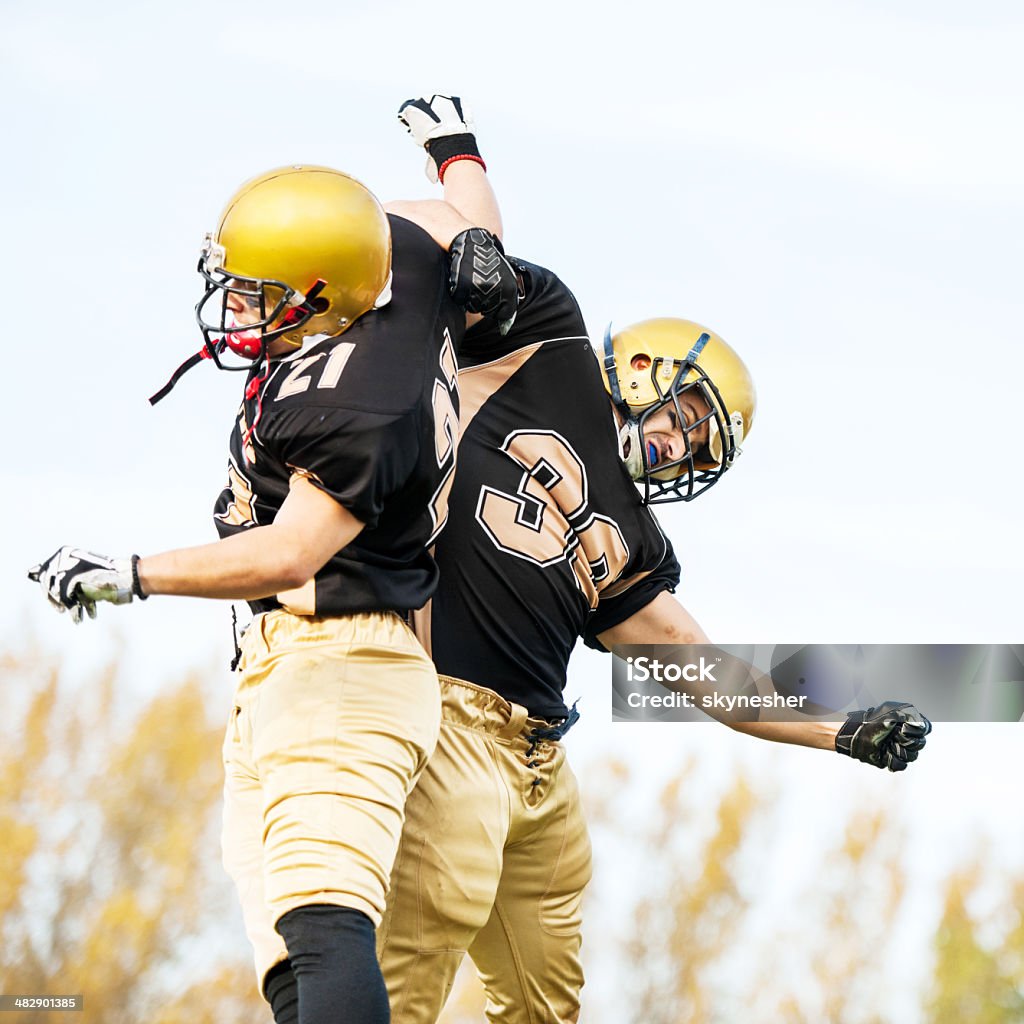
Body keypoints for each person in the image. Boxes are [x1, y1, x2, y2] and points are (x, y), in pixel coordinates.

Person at [225, 100, 932, 1024]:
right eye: (684, 417)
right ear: (640, 369)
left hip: (538, 761)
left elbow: (709, 675)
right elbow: (419, 247)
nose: (680, 448)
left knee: (547, 1002)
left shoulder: (638, 542)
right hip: (438, 712)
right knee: (402, 977)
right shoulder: (544, 347)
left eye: (701, 446)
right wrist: (454, 162)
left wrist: (836, 728)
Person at [26, 163, 520, 1024]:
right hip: (285, 671)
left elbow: (291, 554)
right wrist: (461, 165)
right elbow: (444, 221)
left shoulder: (359, 404)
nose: (240, 309)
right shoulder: (391, 274)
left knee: (327, 929)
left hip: (343, 663)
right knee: (291, 955)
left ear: (323, 291)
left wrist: (131, 574)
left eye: (258, 294)